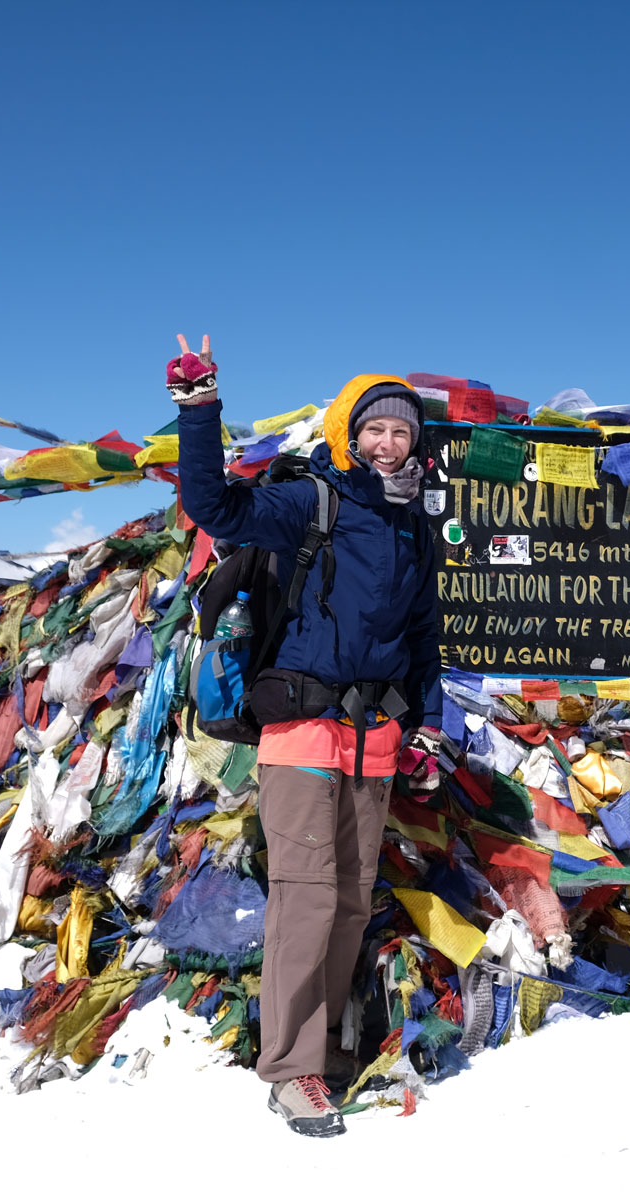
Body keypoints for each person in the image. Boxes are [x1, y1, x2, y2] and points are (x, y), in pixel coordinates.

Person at [169, 335, 441, 1134]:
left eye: (402, 432)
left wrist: (420, 723)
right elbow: (214, 507)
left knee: (351, 905)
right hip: (300, 735)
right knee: (308, 902)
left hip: (376, 739)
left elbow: (422, 636)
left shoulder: (412, 526)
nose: (389, 443)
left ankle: (321, 1054)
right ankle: (289, 1070)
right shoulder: (312, 500)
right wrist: (199, 408)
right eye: (375, 429)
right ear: (348, 435)